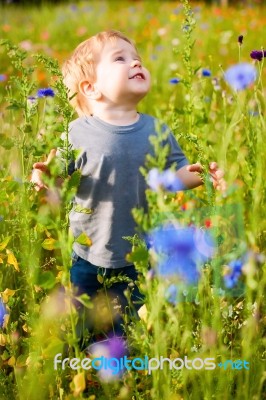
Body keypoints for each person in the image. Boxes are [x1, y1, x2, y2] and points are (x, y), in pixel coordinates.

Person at [31, 30, 226, 347]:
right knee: (81, 319)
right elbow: (60, 178)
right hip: (86, 250)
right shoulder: (77, 132)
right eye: (120, 58)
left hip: (136, 252)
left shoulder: (156, 129)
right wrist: (45, 177)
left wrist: (202, 175)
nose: (135, 61)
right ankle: (79, 363)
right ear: (90, 88)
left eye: (137, 57)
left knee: (124, 322)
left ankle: (120, 366)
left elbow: (175, 175)